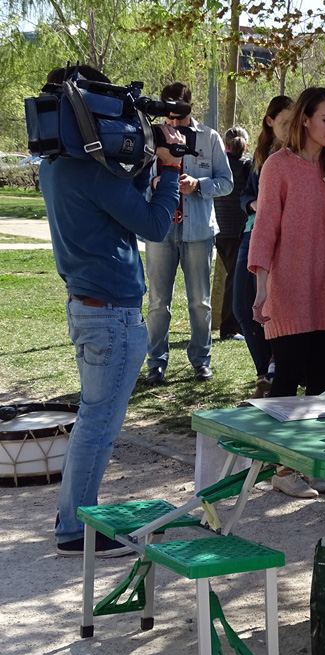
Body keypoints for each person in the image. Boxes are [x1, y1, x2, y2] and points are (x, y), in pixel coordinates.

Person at [40, 65, 185, 556]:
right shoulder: (88, 169)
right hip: (112, 317)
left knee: (92, 420)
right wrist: (168, 170)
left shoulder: (59, 163)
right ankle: (77, 531)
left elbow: (117, 204)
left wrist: (149, 163)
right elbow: (154, 224)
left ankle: (71, 515)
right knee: (98, 426)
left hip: (89, 307)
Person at [248, 87, 325, 498]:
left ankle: (308, 461)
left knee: (321, 381)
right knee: (287, 377)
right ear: (305, 120)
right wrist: (260, 287)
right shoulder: (278, 165)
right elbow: (265, 229)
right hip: (288, 287)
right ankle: (282, 467)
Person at [144, 82, 234, 385]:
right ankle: (156, 363)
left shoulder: (209, 138)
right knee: (157, 301)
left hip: (198, 230)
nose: (172, 123)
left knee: (200, 301)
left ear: (189, 109)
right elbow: (135, 180)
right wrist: (154, 186)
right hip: (160, 228)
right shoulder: (150, 136)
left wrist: (199, 185)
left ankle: (201, 361)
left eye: (178, 117)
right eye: (167, 117)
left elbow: (227, 182)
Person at [235, 95, 293, 399]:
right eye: (284, 122)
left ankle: (275, 370)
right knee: (241, 307)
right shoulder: (261, 154)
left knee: (271, 305)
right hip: (251, 231)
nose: (290, 127)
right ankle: (264, 371)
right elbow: (245, 196)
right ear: (269, 121)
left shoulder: (296, 155)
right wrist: (254, 203)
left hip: (278, 236)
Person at [213, 126, 252, 341]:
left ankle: (232, 324)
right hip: (238, 229)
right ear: (246, 145)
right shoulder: (247, 167)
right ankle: (229, 327)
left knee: (233, 277)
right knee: (235, 280)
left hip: (220, 229)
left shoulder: (218, 166)